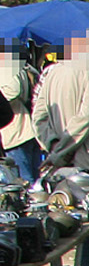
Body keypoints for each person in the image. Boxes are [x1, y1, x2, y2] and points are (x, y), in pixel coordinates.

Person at [32, 26, 89, 174]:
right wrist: (61, 152)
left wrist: (52, 144)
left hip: (59, 161)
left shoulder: (54, 71)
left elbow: (38, 117)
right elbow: (87, 117)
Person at [0, 44, 42, 181]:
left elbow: (13, 90)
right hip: (24, 130)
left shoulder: (5, 66)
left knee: (21, 180)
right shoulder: (22, 67)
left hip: (16, 133)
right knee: (31, 178)